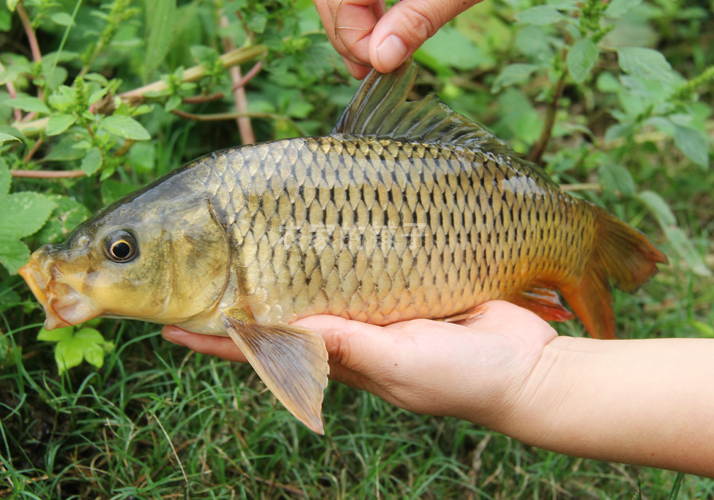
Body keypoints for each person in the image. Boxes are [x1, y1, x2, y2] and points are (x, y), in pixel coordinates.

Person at [162, 0, 714, 479]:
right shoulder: (232, 199)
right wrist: (536, 379)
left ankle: (585, 262)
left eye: (122, 251)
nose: (114, 262)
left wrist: (537, 380)